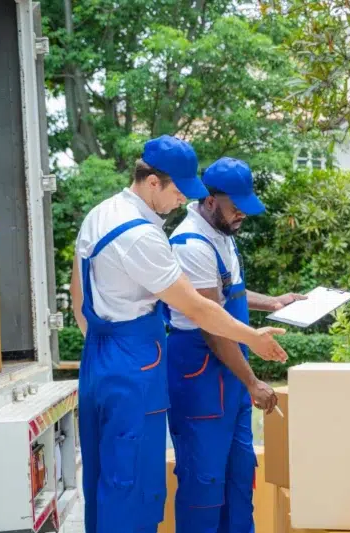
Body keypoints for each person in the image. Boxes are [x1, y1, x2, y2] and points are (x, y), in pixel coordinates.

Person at [68, 136, 288, 533]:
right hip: (136, 361)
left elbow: (77, 300)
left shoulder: (101, 214)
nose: (179, 202)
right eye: (177, 191)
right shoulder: (142, 235)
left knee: (107, 476)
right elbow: (197, 307)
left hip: (101, 355)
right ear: (152, 182)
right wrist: (253, 338)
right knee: (137, 484)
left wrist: (106, 345)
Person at [165, 157, 305, 533]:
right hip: (202, 373)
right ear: (210, 201)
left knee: (239, 476)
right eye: (234, 207)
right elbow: (213, 327)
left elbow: (230, 293)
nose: (241, 214)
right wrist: (251, 382)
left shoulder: (221, 236)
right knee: (204, 482)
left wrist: (274, 302)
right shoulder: (191, 245)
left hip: (229, 373)